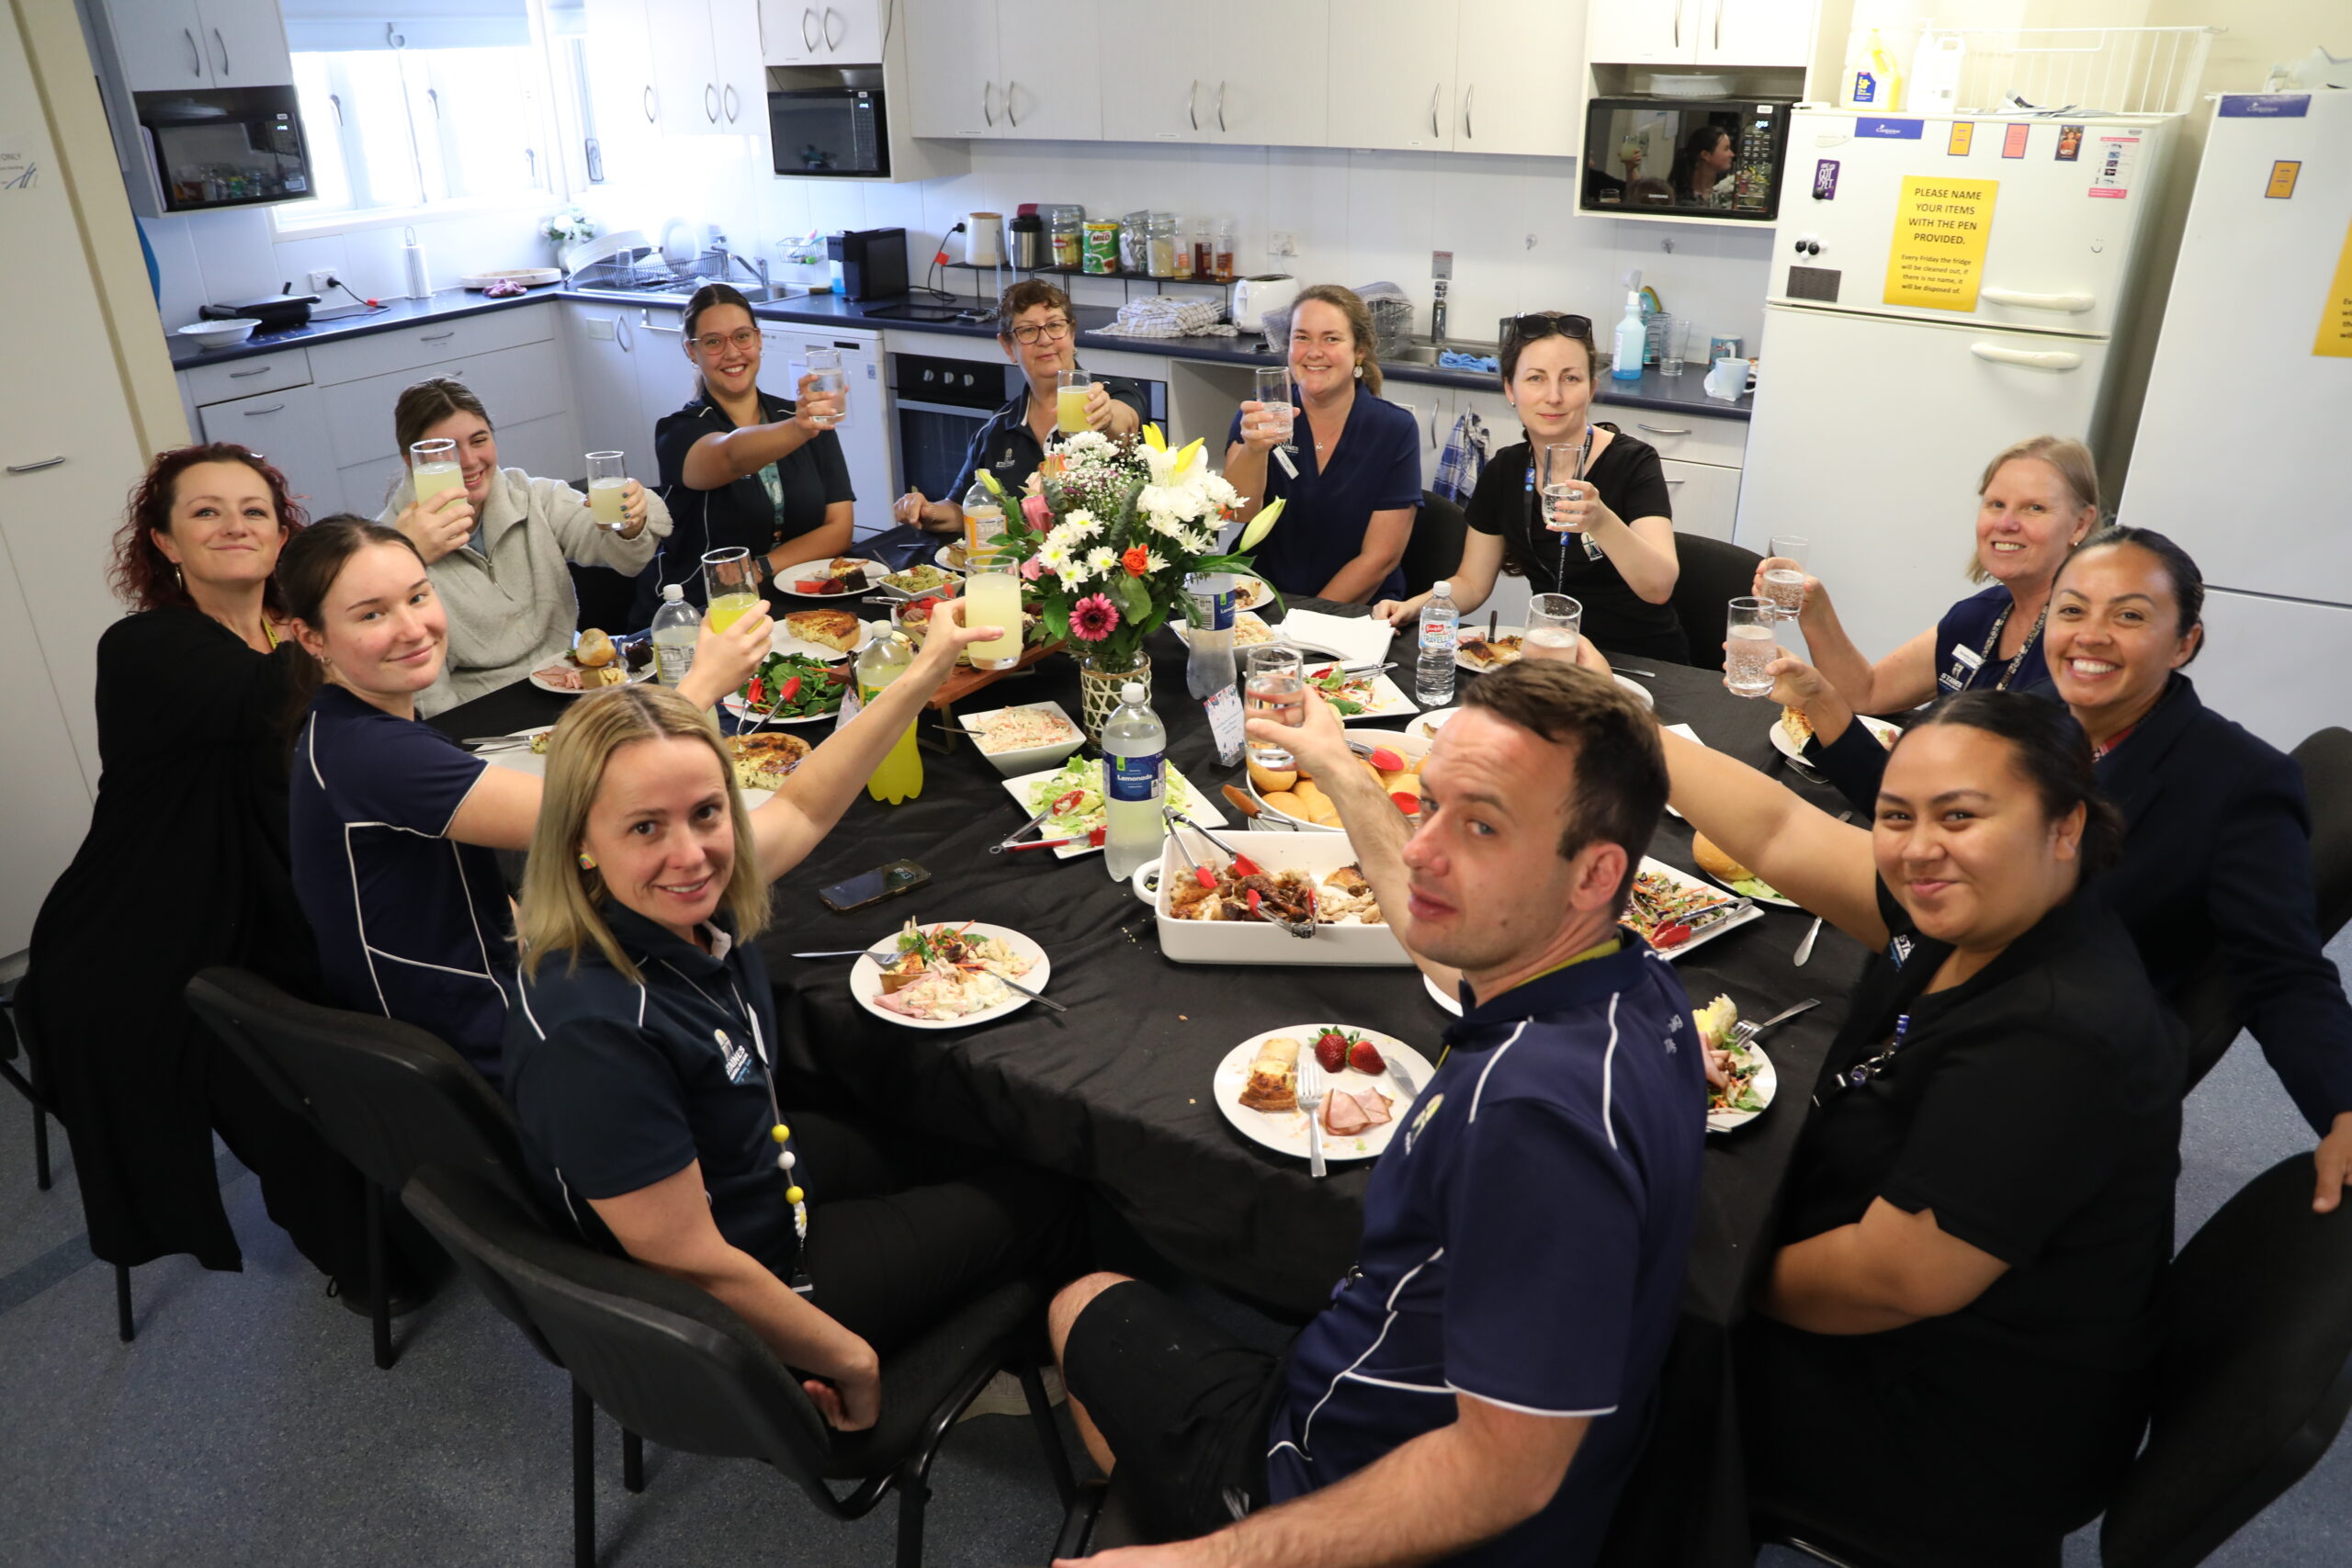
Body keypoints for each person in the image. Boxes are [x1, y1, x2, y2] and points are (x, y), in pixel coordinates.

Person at [1047, 662, 1705, 1568]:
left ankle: (1196, 1516)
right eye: (1427, 804)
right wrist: (1339, 766)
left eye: (1480, 825)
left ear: (1593, 873)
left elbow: (1504, 1474)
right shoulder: (1632, 978)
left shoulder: (1532, 1119)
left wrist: (1206, 1560)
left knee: (1083, 1300)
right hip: (1524, 1431)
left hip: (1355, 1479)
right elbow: (1446, 941)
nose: (1425, 848)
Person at [1657, 691, 2182, 1563]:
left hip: (1941, 1418)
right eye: (1897, 816)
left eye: (1961, 816)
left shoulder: (2057, 1036)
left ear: (2067, 826)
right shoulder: (1984, 913)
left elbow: (1889, 1281)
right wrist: (1630, 727)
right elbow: (1784, 831)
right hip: (1908, 1323)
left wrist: (1703, 1282)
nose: (1917, 848)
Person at [502, 682, 1084, 1428]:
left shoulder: (676, 911)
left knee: (989, 1124)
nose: (691, 854)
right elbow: (692, 1265)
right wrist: (852, 1359)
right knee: (1055, 1191)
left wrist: (924, 669)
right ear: (581, 836)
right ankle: (1010, 1372)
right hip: (760, 1283)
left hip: (763, 1175)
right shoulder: (591, 1035)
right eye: (646, 827)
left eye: (707, 812)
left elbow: (806, 803)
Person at [1762, 527, 2352, 1207]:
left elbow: (2284, 972)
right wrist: (1828, 709)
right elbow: (1914, 811)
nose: (2090, 635)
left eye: (2128, 615)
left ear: (2185, 641)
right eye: (2072, 610)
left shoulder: (2238, 782)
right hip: (1945, 987)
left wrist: (2341, 1107)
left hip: (2051, 1058)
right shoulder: (2032, 712)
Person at [18, 447, 395, 1299]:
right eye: (207, 513)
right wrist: (376, 579)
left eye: (255, 510)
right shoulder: (145, 645)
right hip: (148, 935)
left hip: (273, 896)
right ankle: (362, 1252)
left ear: (280, 531)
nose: (235, 525)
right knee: (295, 1079)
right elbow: (264, 697)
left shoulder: (285, 633)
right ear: (166, 544)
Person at [281, 520, 772, 1084]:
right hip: (481, 1045)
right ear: (312, 637)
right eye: (372, 614)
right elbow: (594, 807)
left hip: (455, 1007)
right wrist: (702, 683)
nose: (412, 628)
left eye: (418, 597)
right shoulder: (373, 753)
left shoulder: (346, 724)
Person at [1374, 311, 1685, 662]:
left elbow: (1659, 587)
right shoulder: (1506, 470)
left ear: (1592, 389)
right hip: (1550, 659)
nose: (1553, 396)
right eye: (1536, 378)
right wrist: (1411, 608)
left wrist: (1601, 521)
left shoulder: (1633, 462)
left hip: (1641, 663)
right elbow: (1472, 584)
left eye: (1570, 378)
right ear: (1510, 388)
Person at [1758, 434, 2100, 728]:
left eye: (2034, 508)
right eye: (1996, 504)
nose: (2006, 523)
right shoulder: (1979, 616)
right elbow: (1867, 693)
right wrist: (1814, 608)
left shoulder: (2087, 643)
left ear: (2080, 525)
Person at [378, 377, 669, 716]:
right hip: (480, 713)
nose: (470, 461)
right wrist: (411, 559)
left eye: (479, 439)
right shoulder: (389, 546)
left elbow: (620, 554)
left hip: (569, 686)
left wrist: (631, 523)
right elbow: (420, 682)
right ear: (412, 460)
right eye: (447, 449)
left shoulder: (531, 496)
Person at [642, 283, 852, 615]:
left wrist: (760, 567)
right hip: (703, 609)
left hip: (795, 597)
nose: (732, 353)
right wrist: (799, 428)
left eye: (742, 336)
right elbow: (731, 455)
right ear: (691, 352)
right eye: (713, 342)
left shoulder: (803, 418)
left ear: (758, 340)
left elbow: (839, 528)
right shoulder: (677, 432)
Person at [889, 279, 1146, 545]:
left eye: (1055, 325)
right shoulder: (997, 431)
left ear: (1072, 333)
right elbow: (961, 508)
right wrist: (925, 510)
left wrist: (1105, 418)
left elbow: (1126, 426)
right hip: (1021, 576)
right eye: (1027, 331)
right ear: (1008, 346)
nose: (1045, 339)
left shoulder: (1113, 393)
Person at [1225, 285, 1422, 604]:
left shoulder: (1393, 429)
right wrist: (1254, 449)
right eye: (1302, 337)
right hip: (1258, 601)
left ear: (1359, 350)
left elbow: (1380, 559)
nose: (1314, 352)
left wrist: (1302, 624)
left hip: (1349, 612)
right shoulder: (1259, 419)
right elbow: (1238, 514)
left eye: (1331, 339)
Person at [1668, 123, 1736, 209]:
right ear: (1705, 155)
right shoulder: (1679, 197)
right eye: (1726, 149)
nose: (1732, 154)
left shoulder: (1728, 185)